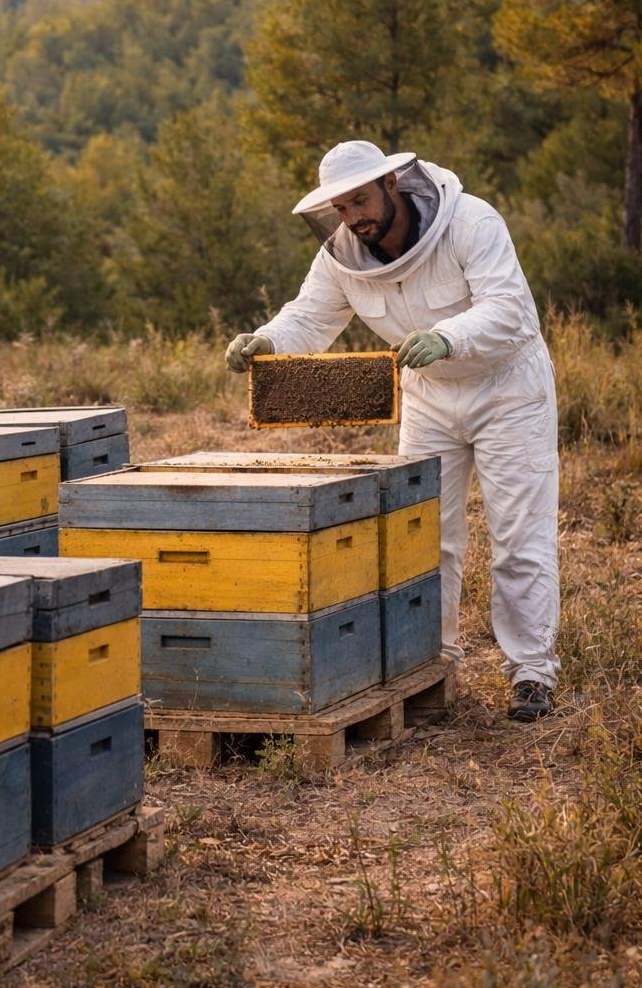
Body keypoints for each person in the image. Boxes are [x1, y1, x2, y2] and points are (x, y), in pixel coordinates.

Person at [225, 139, 559, 722]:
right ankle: (433, 662)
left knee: (518, 535)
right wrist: (268, 340)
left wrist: (449, 336)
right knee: (424, 536)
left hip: (507, 388)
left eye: (361, 201)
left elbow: (510, 308)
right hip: (428, 396)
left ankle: (531, 673)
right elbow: (310, 315)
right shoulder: (343, 254)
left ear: (392, 184)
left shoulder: (471, 222)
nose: (356, 218)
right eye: (343, 209)